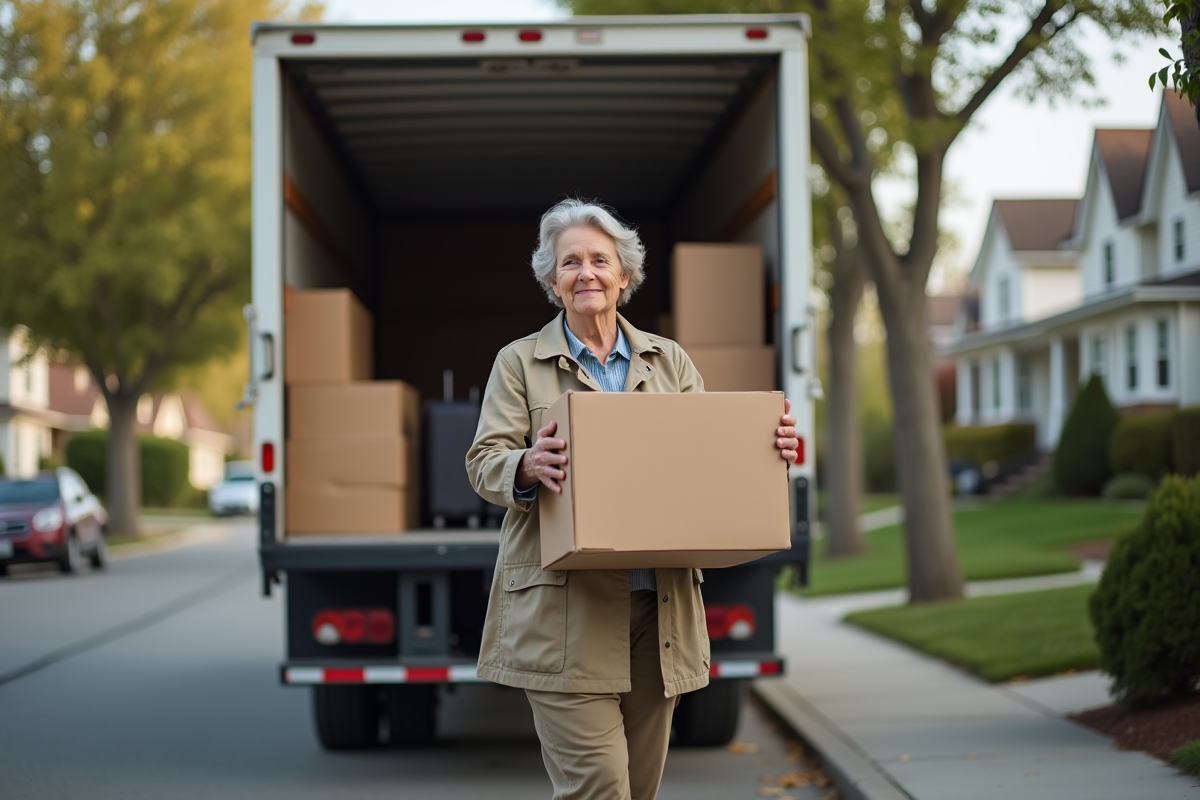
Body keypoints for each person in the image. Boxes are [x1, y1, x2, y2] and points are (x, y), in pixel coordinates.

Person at [465, 198, 799, 800]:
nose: (585, 272)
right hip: (564, 614)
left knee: (636, 791)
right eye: (570, 262)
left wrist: (766, 446)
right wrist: (526, 463)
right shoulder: (518, 363)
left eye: (599, 259)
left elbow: (710, 459)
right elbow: (483, 462)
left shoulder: (668, 361)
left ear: (624, 275)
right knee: (600, 787)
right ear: (551, 279)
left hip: (657, 610)